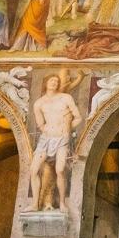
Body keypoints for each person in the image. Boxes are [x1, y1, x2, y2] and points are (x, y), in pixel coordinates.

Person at [29, 74, 83, 211]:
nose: (54, 82)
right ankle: (35, 204)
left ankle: (63, 203)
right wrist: (46, 130)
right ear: (46, 83)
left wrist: (66, 129)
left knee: (60, 170)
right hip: (46, 139)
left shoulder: (66, 98)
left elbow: (78, 118)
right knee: (33, 170)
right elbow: (40, 124)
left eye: (56, 81)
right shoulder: (39, 103)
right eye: (51, 80)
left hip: (62, 139)